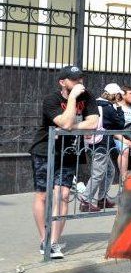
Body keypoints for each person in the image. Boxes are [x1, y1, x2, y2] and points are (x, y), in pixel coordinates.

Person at [30, 65, 99, 259]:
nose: (80, 83)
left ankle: (53, 243)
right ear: (63, 82)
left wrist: (71, 127)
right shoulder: (51, 100)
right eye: (74, 80)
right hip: (45, 150)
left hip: (68, 152)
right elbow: (66, 122)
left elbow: (93, 123)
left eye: (81, 79)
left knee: (63, 194)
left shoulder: (88, 97)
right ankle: (44, 239)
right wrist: (72, 99)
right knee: (43, 196)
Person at [79, 84, 125, 212]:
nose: (120, 97)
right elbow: (120, 124)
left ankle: (102, 199)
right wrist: (119, 107)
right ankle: (85, 200)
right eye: (119, 95)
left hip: (91, 142)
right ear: (115, 95)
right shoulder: (109, 108)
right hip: (102, 144)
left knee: (110, 170)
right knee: (98, 173)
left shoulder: (94, 104)